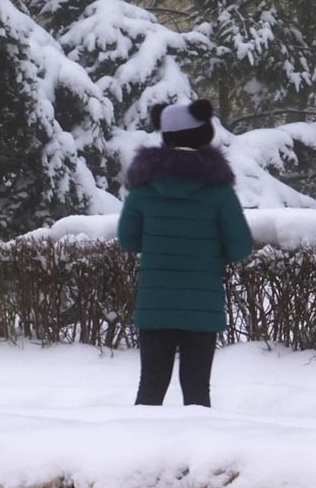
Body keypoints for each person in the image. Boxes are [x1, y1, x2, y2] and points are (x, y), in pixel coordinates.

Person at [118, 99, 253, 407]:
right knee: (196, 392)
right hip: (202, 305)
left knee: (150, 388)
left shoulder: (143, 188)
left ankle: (139, 450)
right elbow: (240, 246)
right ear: (203, 134)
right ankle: (197, 452)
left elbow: (128, 239)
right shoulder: (218, 190)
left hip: (155, 303)